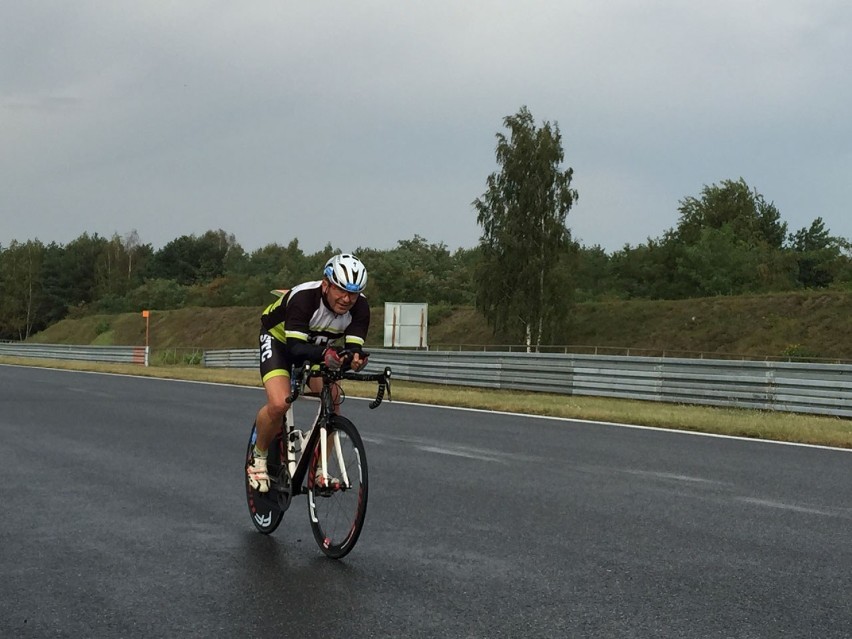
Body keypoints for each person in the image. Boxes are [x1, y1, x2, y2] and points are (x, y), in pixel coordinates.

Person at [247, 253, 371, 493]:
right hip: (280, 342)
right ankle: (258, 456)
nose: (347, 299)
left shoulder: (361, 308)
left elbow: (353, 348)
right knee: (280, 403)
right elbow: (295, 349)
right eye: (341, 291)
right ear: (326, 284)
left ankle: (319, 469)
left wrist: (355, 360)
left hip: (315, 347)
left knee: (332, 398)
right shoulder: (304, 299)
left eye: (353, 294)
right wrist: (327, 355)